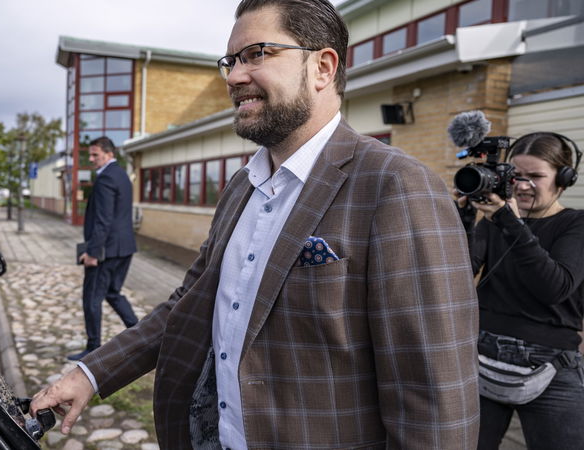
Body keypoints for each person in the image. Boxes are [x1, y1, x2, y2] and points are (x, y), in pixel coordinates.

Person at [33, 1, 479, 447]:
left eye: (257, 54)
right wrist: (92, 373)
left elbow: (434, 399)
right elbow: (189, 302)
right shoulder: (241, 186)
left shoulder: (396, 186)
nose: (233, 77)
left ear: (322, 67)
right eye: (231, 61)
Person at [455, 132, 584, 450]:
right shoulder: (496, 219)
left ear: (564, 178)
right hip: (484, 355)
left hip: (552, 367)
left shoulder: (575, 224)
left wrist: (508, 220)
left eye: (536, 176)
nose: (522, 185)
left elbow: (555, 287)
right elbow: (458, 275)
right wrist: (465, 218)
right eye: (516, 175)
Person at [67, 136, 138, 361]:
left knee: (92, 297)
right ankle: (140, 335)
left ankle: (93, 347)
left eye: (95, 155)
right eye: (90, 155)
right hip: (124, 247)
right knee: (112, 293)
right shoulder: (122, 175)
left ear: (108, 154)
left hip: (106, 251)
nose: (91, 159)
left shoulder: (106, 178)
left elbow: (103, 220)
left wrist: (93, 253)